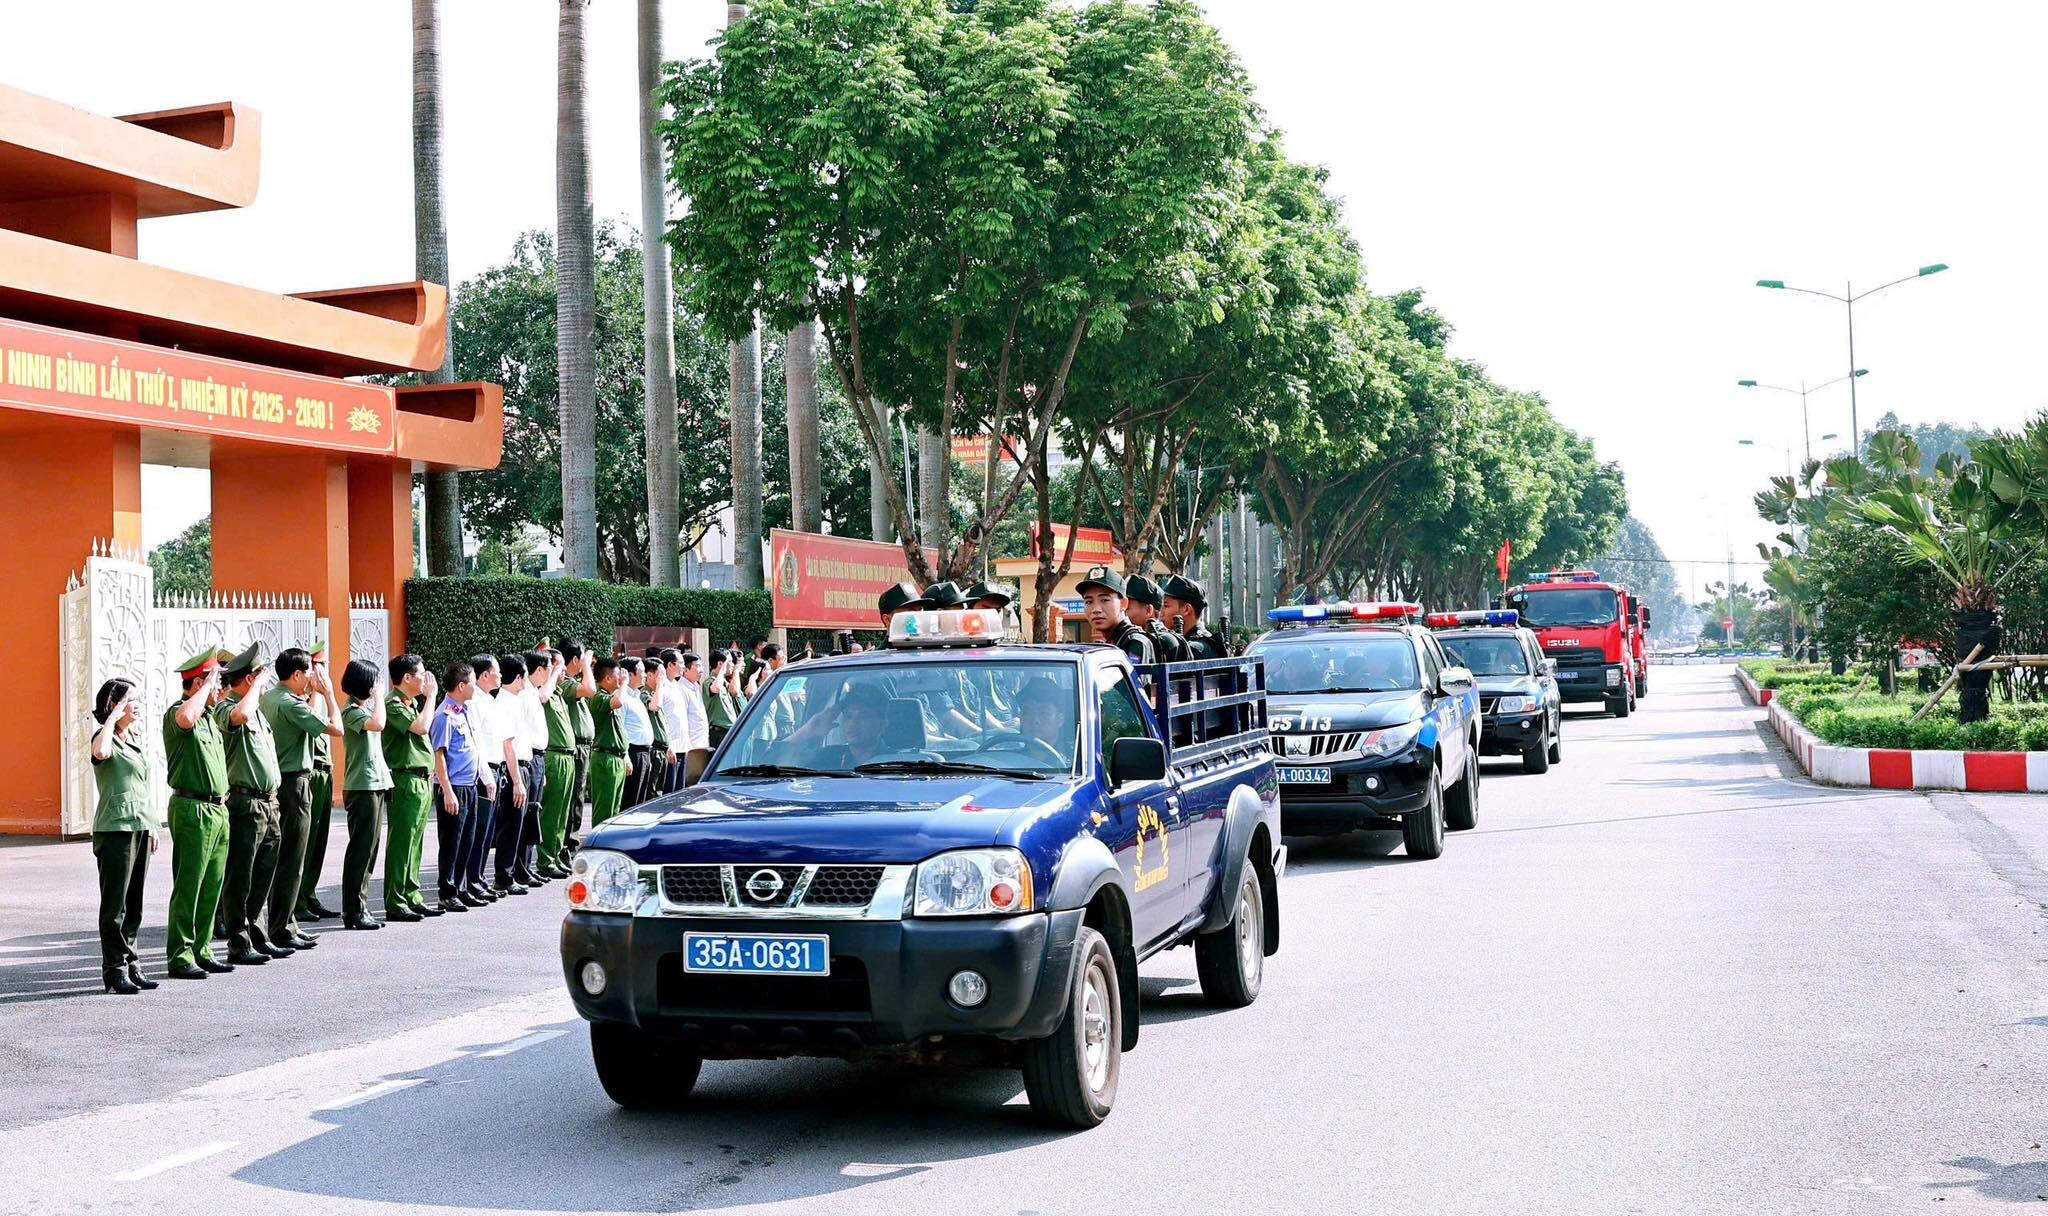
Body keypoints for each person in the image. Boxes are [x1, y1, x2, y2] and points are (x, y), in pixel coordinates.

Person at [260, 646, 342, 954]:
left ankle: (286, 922)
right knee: (292, 858)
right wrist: (329, 693)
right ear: (296, 675)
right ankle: (282, 926)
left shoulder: (271, 697)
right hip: (294, 783)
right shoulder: (292, 704)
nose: (313, 677)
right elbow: (335, 728)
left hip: (281, 781)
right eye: (309, 671)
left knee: (282, 858)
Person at [215, 642, 288, 967]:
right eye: (259, 676)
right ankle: (238, 942)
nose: (266, 680)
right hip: (245, 803)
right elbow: (238, 715)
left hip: (269, 804)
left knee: (264, 873)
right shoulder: (227, 706)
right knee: (240, 877)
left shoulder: (256, 710)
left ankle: (258, 935)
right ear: (248, 679)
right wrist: (256, 685)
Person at [162, 647, 231, 980]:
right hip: (192, 808)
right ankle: (180, 954)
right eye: (217, 683)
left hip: (218, 809)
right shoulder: (180, 712)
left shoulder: (210, 718)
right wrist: (207, 684)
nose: (221, 690)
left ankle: (202, 949)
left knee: (212, 886)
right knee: (189, 884)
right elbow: (186, 718)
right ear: (200, 682)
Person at [90, 678, 158, 994]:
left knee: (135, 905)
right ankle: (114, 970)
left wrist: (153, 824)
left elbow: (141, 786)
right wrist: (111, 720)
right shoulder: (104, 738)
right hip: (115, 829)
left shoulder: (134, 740)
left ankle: (132, 964)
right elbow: (101, 753)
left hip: (139, 826)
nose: (138, 704)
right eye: (132, 699)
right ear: (114, 705)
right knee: (114, 906)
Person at [381, 655, 441, 920]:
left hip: (420, 778)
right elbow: (421, 727)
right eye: (421, 674)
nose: (425, 679)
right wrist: (431, 697)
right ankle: (396, 900)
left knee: (415, 842)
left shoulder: (409, 703)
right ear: (406, 678)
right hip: (404, 778)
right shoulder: (393, 704)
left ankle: (411, 894)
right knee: (402, 842)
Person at [335, 658, 390, 930]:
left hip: (375, 784)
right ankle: (354, 910)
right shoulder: (351, 712)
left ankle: (361, 906)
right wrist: (379, 697)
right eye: (374, 682)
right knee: (361, 849)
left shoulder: (361, 709)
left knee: (370, 850)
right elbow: (379, 723)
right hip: (361, 786)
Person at [430, 662, 484, 912]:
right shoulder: (444, 716)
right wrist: (447, 790)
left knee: (467, 840)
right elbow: (439, 755)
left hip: (470, 786)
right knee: (452, 842)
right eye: (472, 682)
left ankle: (461, 888)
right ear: (461, 686)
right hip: (455, 788)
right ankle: (447, 891)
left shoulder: (463, 711)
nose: (475, 686)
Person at [294, 641, 341, 923]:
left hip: (325, 772)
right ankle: (297, 898)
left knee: (319, 839)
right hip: (309, 774)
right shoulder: (300, 701)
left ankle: (309, 893)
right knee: (306, 840)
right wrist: (320, 693)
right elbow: (315, 728)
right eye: (316, 668)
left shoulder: (317, 697)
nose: (320, 675)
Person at [491, 653, 538, 895]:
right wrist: (517, 780)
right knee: (510, 825)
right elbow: (507, 745)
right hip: (514, 768)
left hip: (523, 766)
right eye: (526, 677)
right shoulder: (505, 703)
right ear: (519, 677)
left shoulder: (513, 701)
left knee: (520, 824)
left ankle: (514, 871)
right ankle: (504, 876)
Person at [461, 655, 506, 903]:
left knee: (487, 832)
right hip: (482, 772)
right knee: (477, 832)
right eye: (496, 671)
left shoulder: (489, 700)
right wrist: (487, 775)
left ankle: (477, 879)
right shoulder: (474, 702)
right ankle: (469, 882)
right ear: (484, 675)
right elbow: (476, 744)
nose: (500, 676)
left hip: (494, 770)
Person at [537, 645, 582, 878]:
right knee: (552, 810)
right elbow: (542, 696)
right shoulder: (542, 691)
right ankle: (545, 858)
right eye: (558, 667)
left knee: (563, 811)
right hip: (553, 755)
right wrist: (554, 672)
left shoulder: (559, 694)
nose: (564, 672)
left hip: (568, 756)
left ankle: (555, 854)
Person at [517, 649, 555, 880]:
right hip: (529, 757)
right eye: (549, 668)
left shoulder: (531, 692)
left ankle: (527, 867)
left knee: (534, 813)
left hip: (538, 758)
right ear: (539, 670)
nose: (550, 673)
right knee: (526, 815)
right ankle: (520, 868)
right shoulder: (524, 694)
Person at [1077, 566, 1155, 663]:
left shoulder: (1135, 643)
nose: (1096, 610)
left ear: (1124, 604)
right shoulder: (1109, 643)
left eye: (1105, 600)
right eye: (1089, 602)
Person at [588, 657, 632, 826]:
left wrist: (625, 755)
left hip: (616, 757)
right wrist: (625, 684)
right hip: (605, 759)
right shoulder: (598, 697)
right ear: (607, 678)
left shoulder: (610, 697)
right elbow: (619, 702)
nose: (619, 679)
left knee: (614, 810)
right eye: (616, 676)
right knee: (604, 809)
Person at [669, 650, 712, 787]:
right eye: (697, 666)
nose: (701, 670)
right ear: (686, 670)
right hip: (690, 747)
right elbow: (682, 718)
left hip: (701, 744)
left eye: (701, 666)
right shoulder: (681, 688)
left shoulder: (694, 687)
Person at [617, 657, 656, 807]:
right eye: (641, 671)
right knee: (631, 800)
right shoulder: (623, 697)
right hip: (633, 753)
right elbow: (620, 727)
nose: (645, 675)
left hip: (645, 753)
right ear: (630, 674)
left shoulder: (637, 697)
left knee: (641, 802)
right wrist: (626, 756)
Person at [1126, 574, 1188, 663]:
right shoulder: (1125, 637)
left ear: (1148, 610)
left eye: (1126, 608)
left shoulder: (1163, 642)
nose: (1122, 613)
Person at [1162, 574, 1225, 660]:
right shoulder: (1189, 644)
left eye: (1166, 606)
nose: (1161, 613)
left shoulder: (1195, 649)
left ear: (1186, 609)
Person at [703, 650, 741, 749]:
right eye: (730, 662)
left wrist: (736, 671)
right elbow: (716, 688)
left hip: (729, 731)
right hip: (718, 732)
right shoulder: (710, 681)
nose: (732, 665)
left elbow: (735, 692)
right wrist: (723, 668)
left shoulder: (724, 682)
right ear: (721, 663)